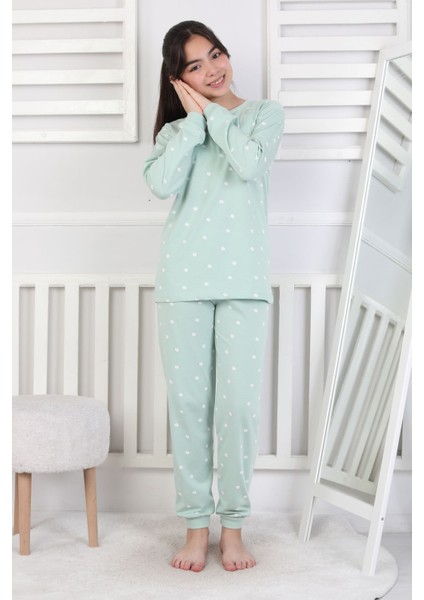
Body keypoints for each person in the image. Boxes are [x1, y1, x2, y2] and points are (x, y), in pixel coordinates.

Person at [143, 20, 284, 572]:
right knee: (189, 408)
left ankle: (234, 529)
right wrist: (192, 124)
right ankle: (195, 529)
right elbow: (160, 184)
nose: (213, 69)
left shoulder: (263, 115)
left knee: (238, 410)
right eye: (195, 66)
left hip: (244, 283)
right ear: (178, 80)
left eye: (216, 55)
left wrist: (213, 114)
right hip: (183, 283)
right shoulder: (176, 133)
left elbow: (248, 165)